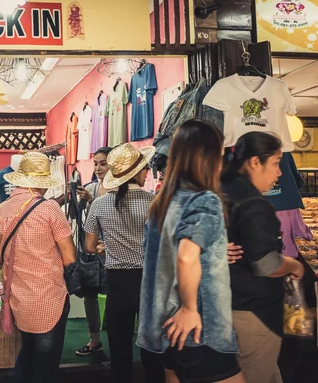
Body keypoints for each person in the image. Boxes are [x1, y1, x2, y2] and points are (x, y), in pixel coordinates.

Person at [137, 119, 244, 383]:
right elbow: (185, 255)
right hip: (200, 332)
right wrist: (189, 308)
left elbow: (167, 255)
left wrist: (214, 253)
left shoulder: (163, 203)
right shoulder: (205, 199)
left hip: (164, 332)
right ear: (206, 158)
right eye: (219, 155)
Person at [221, 132, 305, 383]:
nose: (279, 173)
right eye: (277, 162)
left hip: (227, 304)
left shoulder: (221, 190)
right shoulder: (253, 203)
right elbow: (266, 264)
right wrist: (293, 264)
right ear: (255, 162)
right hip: (252, 313)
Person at [0, 152, 77, 383]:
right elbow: (69, 258)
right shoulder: (49, 209)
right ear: (41, 183)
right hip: (49, 297)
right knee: (46, 364)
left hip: (18, 297)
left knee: (28, 351)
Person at [84, 143, 164, 383]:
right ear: (139, 172)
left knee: (119, 345)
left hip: (117, 280)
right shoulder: (154, 201)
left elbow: (89, 246)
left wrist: (107, 246)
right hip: (148, 279)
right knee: (151, 344)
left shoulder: (99, 204)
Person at [74, 146, 111, 356]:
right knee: (90, 296)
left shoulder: (119, 189)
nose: (98, 167)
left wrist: (90, 201)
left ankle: (117, 340)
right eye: (95, 163)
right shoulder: (92, 187)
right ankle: (94, 340)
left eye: (103, 163)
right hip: (92, 250)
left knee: (114, 297)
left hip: (112, 252)